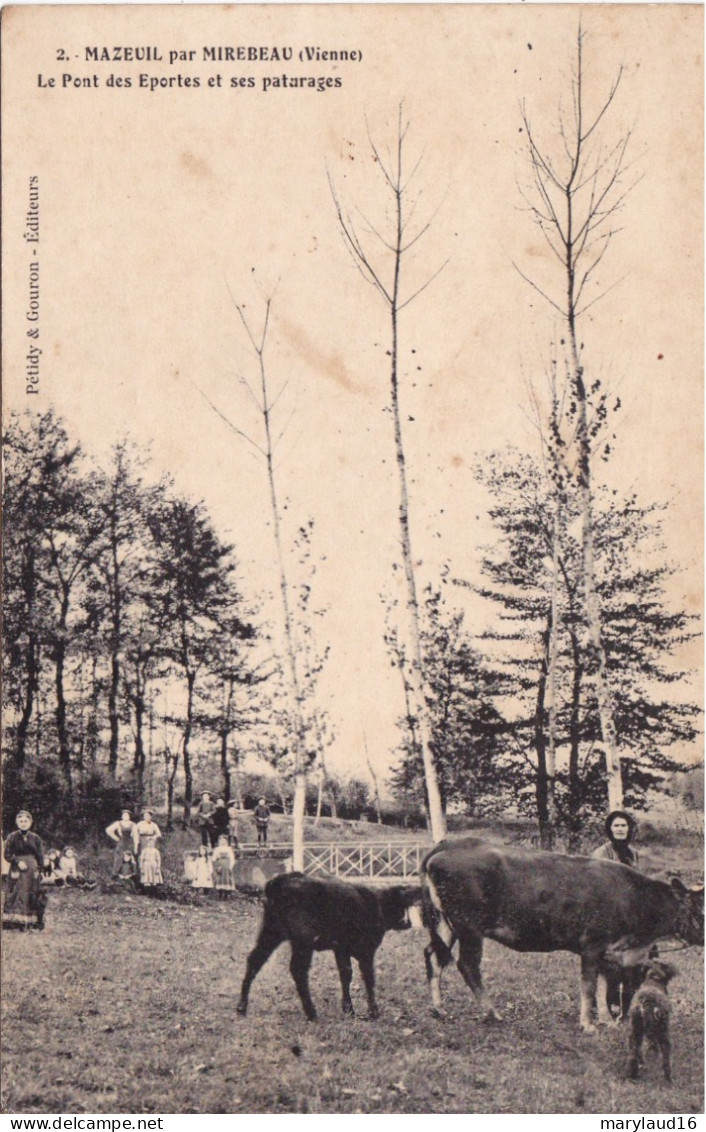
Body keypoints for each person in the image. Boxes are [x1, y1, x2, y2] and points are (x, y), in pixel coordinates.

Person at [592, 810, 641, 1019]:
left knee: (638, 955)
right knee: (609, 958)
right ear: (610, 830)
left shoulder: (633, 853)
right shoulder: (601, 854)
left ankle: (629, 1001)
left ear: (629, 829)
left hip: (629, 913)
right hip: (606, 912)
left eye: (623, 826)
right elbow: (597, 888)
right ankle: (605, 1002)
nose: (620, 829)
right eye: (616, 826)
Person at [2, 810, 47, 930]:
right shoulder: (12, 837)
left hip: (32, 868)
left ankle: (30, 922)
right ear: (17, 823)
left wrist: (40, 869)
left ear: (30, 822)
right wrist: (17, 861)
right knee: (15, 892)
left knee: (31, 892)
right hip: (17, 868)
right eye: (20, 821)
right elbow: (7, 854)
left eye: (25, 821)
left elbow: (40, 855)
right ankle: (13, 922)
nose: (23, 823)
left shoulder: (35, 838)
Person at [105, 810, 138, 878]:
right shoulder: (118, 823)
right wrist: (115, 838)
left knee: (130, 858)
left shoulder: (133, 824)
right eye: (124, 815)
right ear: (122, 816)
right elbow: (108, 830)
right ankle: (116, 874)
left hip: (129, 843)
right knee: (119, 857)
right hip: (121, 842)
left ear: (129, 817)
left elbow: (136, 836)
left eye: (127, 815)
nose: (125, 817)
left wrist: (136, 846)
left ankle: (131, 875)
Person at [135, 809, 163, 887]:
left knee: (152, 857)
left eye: (148, 816)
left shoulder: (153, 825)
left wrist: (153, 837)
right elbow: (134, 833)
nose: (147, 817)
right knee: (142, 858)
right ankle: (142, 879)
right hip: (142, 842)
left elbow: (159, 834)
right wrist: (137, 841)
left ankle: (153, 879)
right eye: (145, 816)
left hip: (151, 842)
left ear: (151, 817)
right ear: (143, 817)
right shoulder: (139, 824)